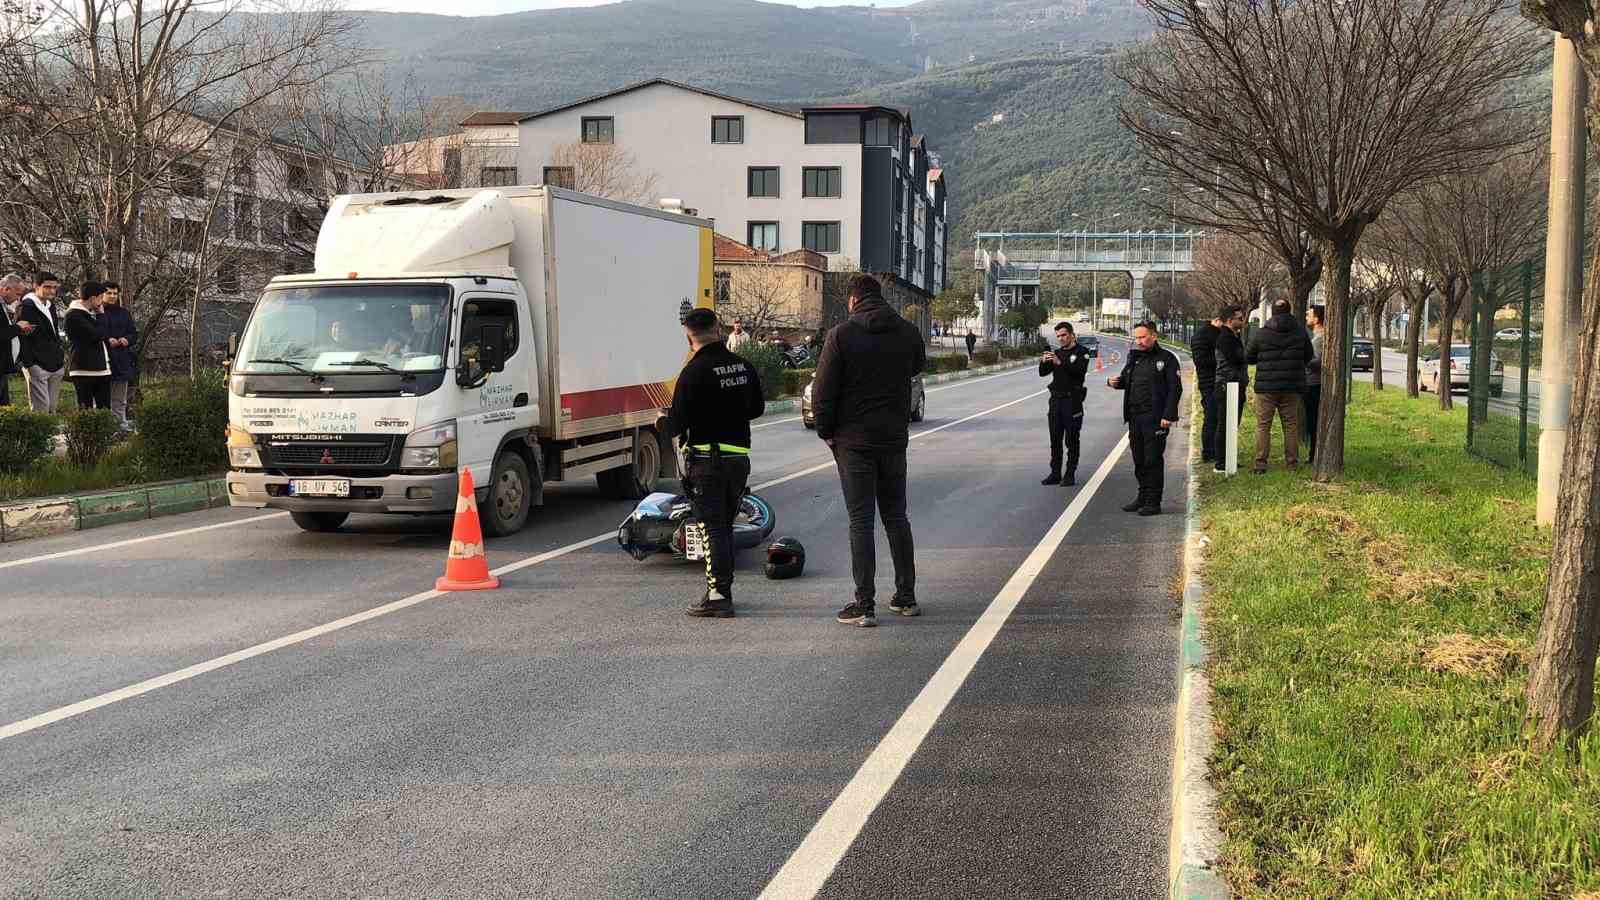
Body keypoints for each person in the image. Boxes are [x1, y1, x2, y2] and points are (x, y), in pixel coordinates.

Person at [812, 273, 926, 627]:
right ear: (881, 297)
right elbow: (917, 367)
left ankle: (864, 605)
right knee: (896, 517)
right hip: (893, 439)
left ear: (852, 300)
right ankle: (905, 597)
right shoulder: (907, 332)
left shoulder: (841, 335)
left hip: (854, 442)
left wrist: (827, 432)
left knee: (860, 521)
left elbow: (822, 393)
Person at [660, 307, 766, 618]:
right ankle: (722, 589)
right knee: (725, 527)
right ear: (719, 329)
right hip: (737, 461)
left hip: (708, 462)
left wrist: (660, 422)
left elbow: (676, 426)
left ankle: (719, 595)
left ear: (688, 337)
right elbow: (757, 408)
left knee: (713, 529)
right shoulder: (743, 367)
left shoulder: (693, 372)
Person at [1108, 321, 1182, 516]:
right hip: (1135, 417)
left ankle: (1153, 501)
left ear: (1154, 336)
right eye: (1137, 338)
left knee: (1153, 460)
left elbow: (1175, 388)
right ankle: (1142, 496)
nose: (1139, 341)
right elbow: (1126, 380)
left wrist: (1169, 415)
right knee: (1138, 459)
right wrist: (1114, 382)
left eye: (1142, 337)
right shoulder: (1134, 358)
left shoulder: (1166, 359)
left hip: (1155, 418)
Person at [1246, 299, 1314, 473]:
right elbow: (1308, 356)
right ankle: (1291, 464)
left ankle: (1261, 464)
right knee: (1290, 425)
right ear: (1290, 311)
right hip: (1292, 386)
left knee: (1263, 425)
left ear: (1272, 313)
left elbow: (1249, 357)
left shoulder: (1262, 333)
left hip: (1266, 387)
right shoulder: (1300, 332)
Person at [1038, 321, 1091, 486]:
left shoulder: (1083, 352)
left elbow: (1079, 371)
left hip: (1072, 401)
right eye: (1058, 336)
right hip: (1056, 401)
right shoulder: (1057, 353)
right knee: (1055, 438)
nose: (1060, 338)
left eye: (1063, 335)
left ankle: (1069, 474)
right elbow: (1042, 373)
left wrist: (1060, 363)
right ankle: (1055, 473)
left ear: (1072, 335)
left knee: (1072, 439)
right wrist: (1044, 361)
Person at [17, 271, 65, 413]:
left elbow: (54, 333)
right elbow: (20, 337)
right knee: (40, 409)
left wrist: (60, 359)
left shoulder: (51, 306)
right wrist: (30, 364)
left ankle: (48, 435)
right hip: (37, 365)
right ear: (36, 286)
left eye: (54, 287)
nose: (51, 290)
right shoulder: (26, 306)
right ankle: (38, 436)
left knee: (52, 408)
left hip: (55, 364)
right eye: (47, 287)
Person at [65, 281, 113, 410]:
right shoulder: (74, 315)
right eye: (101, 297)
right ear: (93, 298)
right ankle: (87, 431)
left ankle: (103, 430)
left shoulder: (89, 314)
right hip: (84, 369)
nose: (102, 302)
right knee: (86, 408)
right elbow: (98, 334)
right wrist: (101, 315)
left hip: (101, 368)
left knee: (104, 408)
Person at [1213, 305, 1248, 473]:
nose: (1243, 321)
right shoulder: (1226, 339)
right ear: (1229, 320)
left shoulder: (1234, 336)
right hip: (1227, 386)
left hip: (1236, 384)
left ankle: (1229, 457)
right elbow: (1236, 359)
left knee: (1233, 424)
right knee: (1225, 423)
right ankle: (1221, 461)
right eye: (1240, 318)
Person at [102, 281, 137, 429]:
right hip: (102, 360)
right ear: (102, 294)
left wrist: (126, 340)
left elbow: (134, 333)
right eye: (109, 293)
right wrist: (107, 339)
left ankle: (120, 424)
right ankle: (104, 426)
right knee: (102, 397)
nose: (112, 296)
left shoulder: (124, 313)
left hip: (122, 360)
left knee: (120, 398)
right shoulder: (97, 312)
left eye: (115, 293)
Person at [1191, 313, 1222, 463]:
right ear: (1217, 320)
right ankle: (1209, 452)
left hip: (1211, 381)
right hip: (1210, 381)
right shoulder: (1206, 335)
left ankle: (1214, 450)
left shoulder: (1210, 333)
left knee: (1215, 417)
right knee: (1212, 416)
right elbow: (1201, 360)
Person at [0, 273, 30, 407]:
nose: (18, 299)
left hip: (4, 367)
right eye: (17, 294)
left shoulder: (4, 305)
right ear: (6, 289)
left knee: (5, 408)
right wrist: (17, 327)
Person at [1304, 304, 1326, 464]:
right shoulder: (1317, 338)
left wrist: (1303, 359)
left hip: (1314, 384)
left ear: (1317, 319)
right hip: (1312, 383)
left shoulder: (1319, 339)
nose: (1306, 317)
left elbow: (1318, 362)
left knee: (1313, 420)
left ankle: (1314, 455)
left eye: (1309, 315)